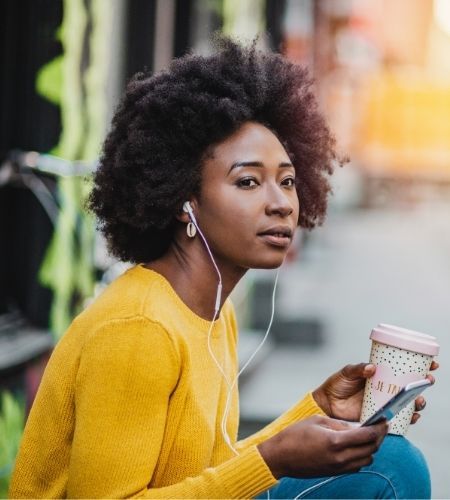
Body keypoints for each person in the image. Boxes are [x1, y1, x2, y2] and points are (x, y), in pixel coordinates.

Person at [9, 38, 436, 499]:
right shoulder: (139, 328)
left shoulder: (214, 312)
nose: (280, 204)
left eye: (288, 181)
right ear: (183, 199)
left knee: (389, 459)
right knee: (393, 470)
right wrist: (274, 459)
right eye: (248, 181)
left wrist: (318, 407)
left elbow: (212, 476)